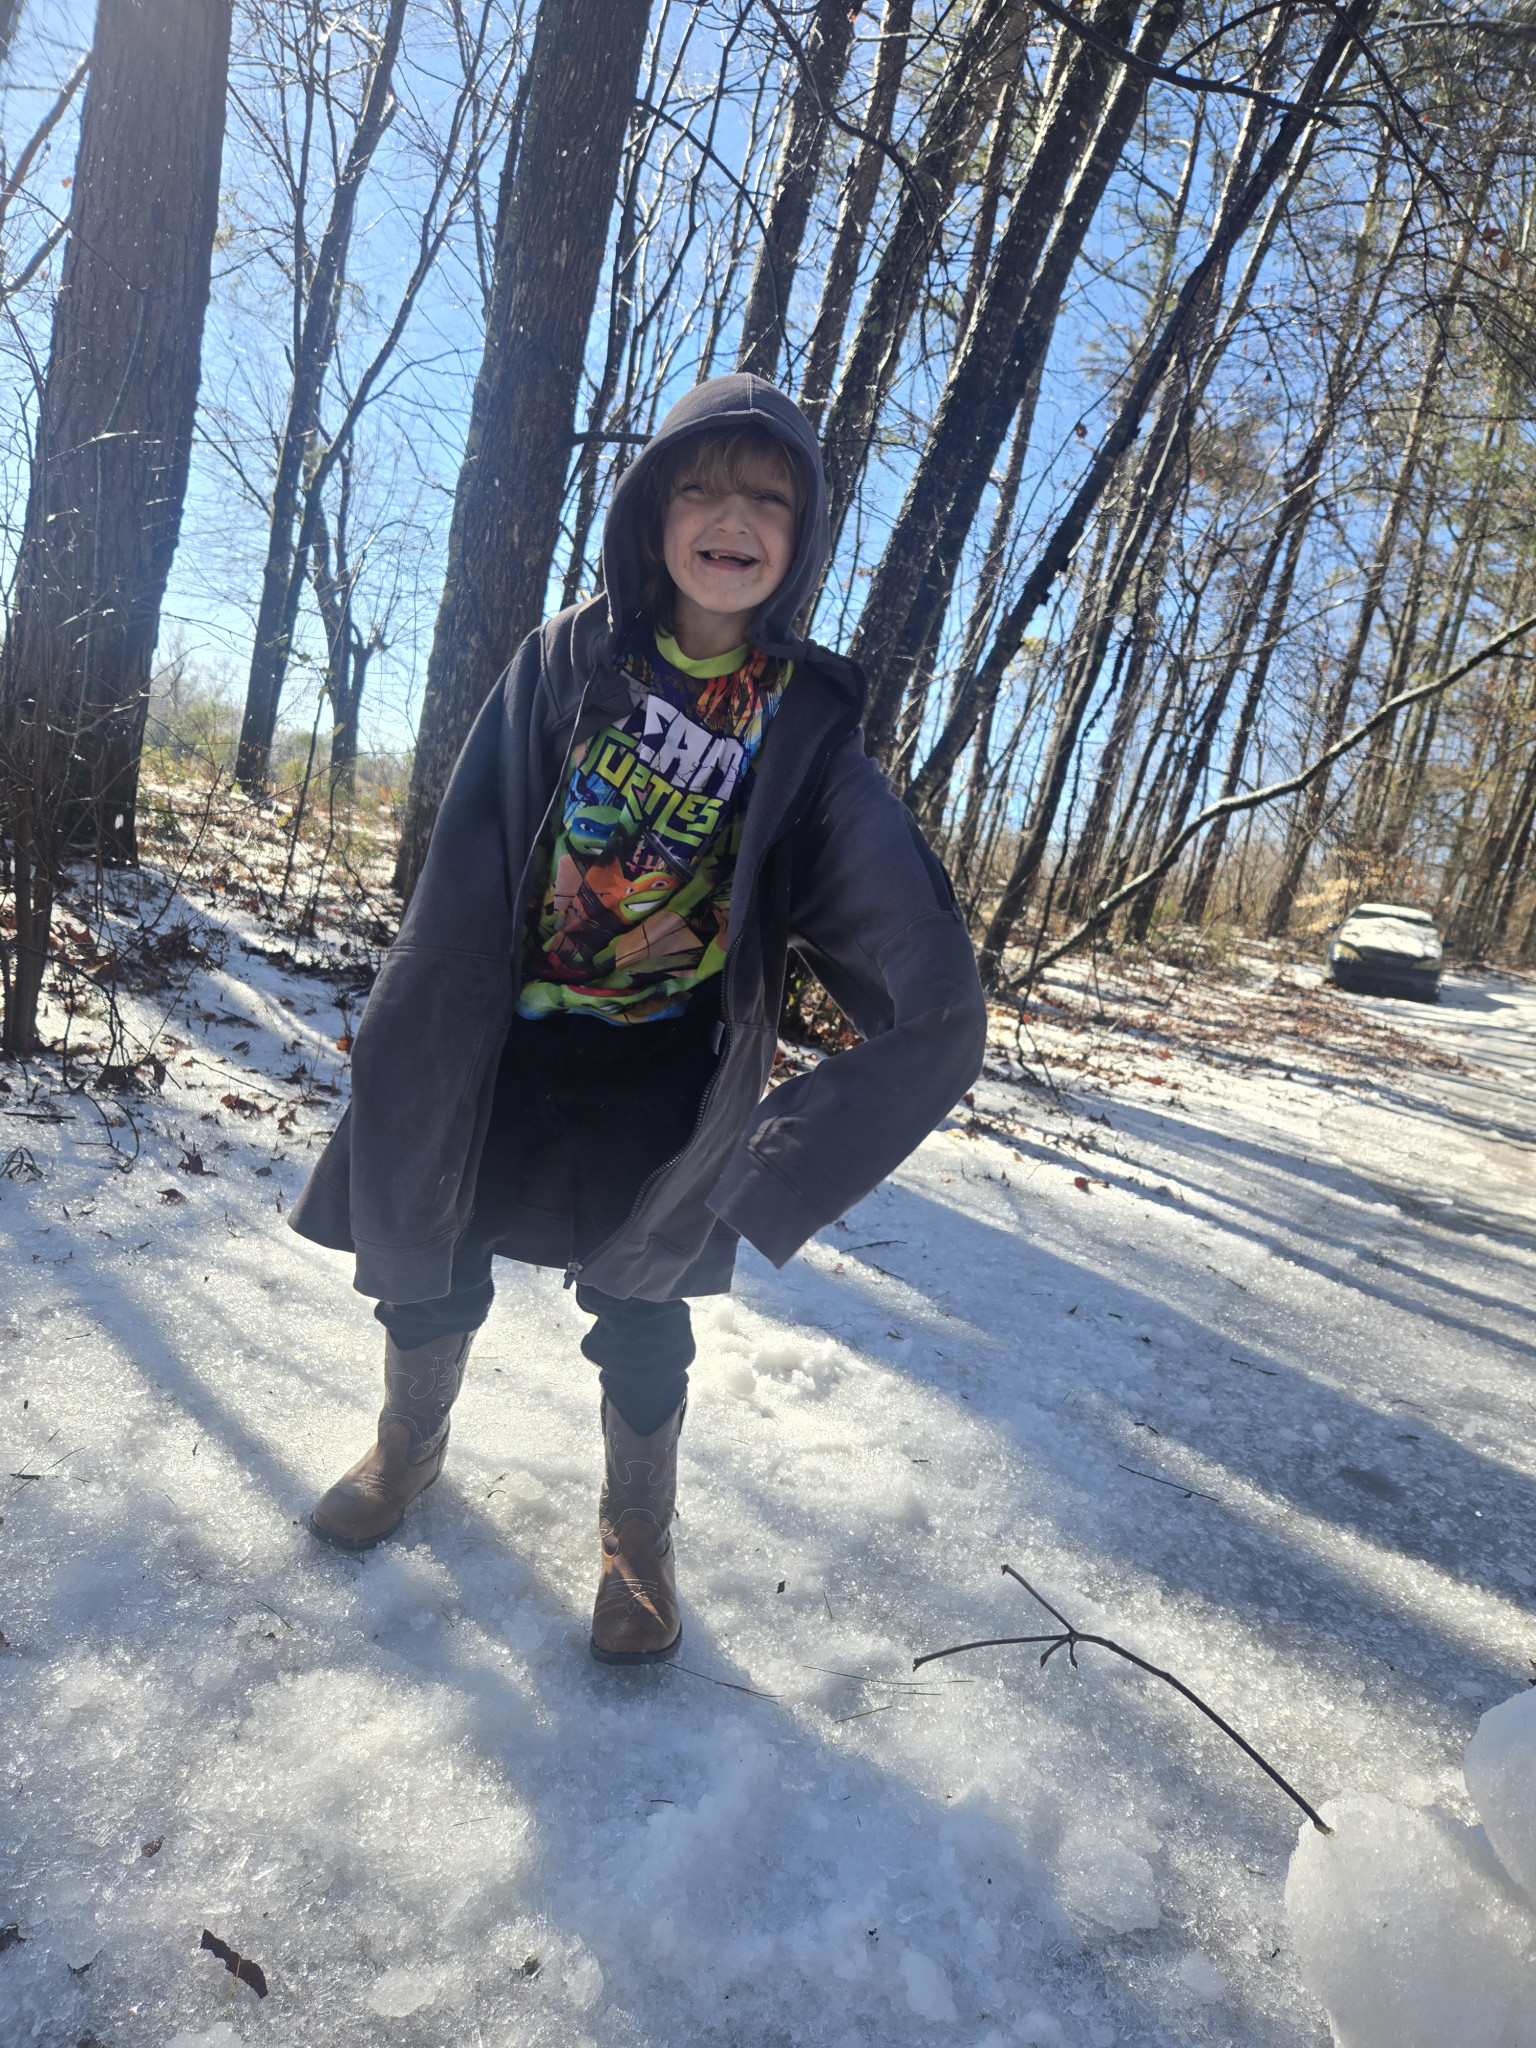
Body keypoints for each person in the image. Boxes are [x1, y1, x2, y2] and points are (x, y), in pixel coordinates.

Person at [289, 373, 987, 1664]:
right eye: (701, 488)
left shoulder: (806, 726)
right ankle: (407, 1444)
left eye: (769, 498)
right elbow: (470, 851)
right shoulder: (568, 657)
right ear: (651, 510)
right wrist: (410, 1021)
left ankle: (637, 1534)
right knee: (435, 1250)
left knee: (644, 1304)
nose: (733, 518)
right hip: (507, 1040)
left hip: (670, 1062)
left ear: (803, 535)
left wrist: (797, 1145)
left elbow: (906, 941)